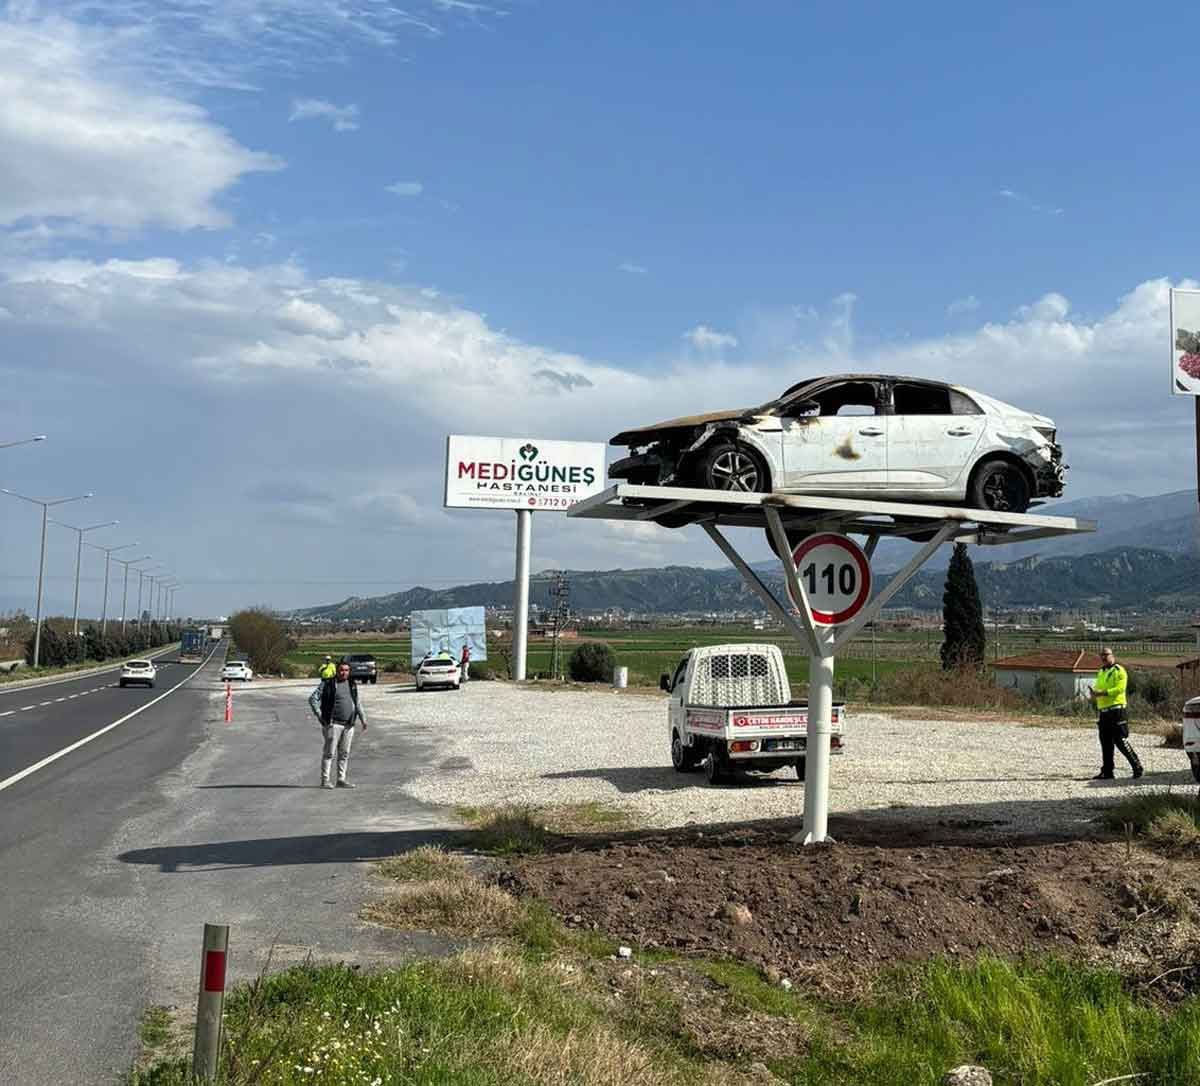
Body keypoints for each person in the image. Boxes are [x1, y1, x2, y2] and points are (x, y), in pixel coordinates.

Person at [308, 659, 367, 789]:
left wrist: (363, 718)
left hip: (348, 725)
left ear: (349, 672)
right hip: (332, 724)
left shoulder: (352, 684)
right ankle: (325, 780)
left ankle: (341, 779)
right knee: (329, 753)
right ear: (336, 671)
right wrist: (320, 716)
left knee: (344, 753)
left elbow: (357, 702)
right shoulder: (328, 684)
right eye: (341, 670)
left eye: (346, 670)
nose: (344, 673)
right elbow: (313, 699)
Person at [1088, 646, 1142, 780]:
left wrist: (1103, 693)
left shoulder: (1119, 670)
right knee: (1105, 742)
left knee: (1120, 740)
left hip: (1117, 710)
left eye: (1106, 655)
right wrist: (1095, 693)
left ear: (1112, 656)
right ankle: (1107, 771)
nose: (1104, 657)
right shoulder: (1101, 671)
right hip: (1104, 712)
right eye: (1102, 655)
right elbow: (1099, 688)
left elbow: (1120, 688)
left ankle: (1137, 766)